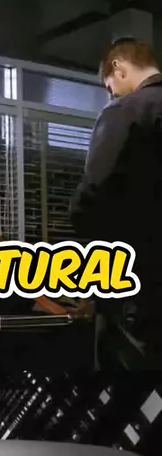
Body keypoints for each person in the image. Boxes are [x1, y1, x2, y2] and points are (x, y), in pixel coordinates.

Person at [70, 37, 162, 367]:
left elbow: (96, 187)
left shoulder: (127, 110)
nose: (112, 94)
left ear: (118, 68)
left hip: (140, 277)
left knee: (130, 378)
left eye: (110, 87)